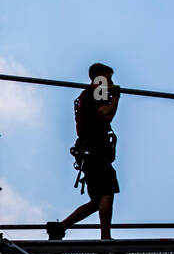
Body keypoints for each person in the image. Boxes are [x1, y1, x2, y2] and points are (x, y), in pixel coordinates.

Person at [47, 63, 121, 241]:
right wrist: (116, 97)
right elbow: (105, 114)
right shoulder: (99, 88)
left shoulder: (86, 94)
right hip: (96, 150)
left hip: (88, 152)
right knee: (107, 192)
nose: (110, 81)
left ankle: (61, 227)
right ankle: (106, 237)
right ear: (101, 76)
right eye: (108, 77)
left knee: (97, 200)